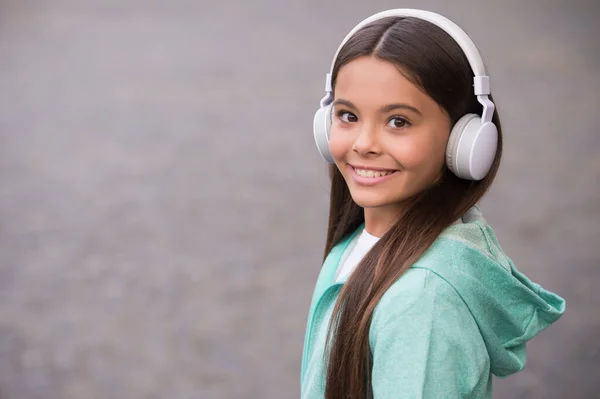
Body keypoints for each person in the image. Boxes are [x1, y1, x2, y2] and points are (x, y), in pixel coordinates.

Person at [300, 9, 566, 399]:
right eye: (348, 116)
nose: (363, 143)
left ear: (466, 141)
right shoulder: (354, 248)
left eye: (399, 122)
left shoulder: (423, 300)